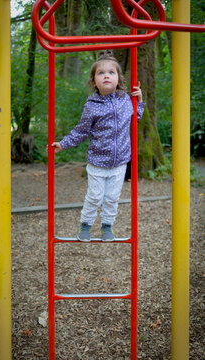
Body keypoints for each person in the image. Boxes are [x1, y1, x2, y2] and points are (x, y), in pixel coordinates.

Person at [51, 50, 145, 241]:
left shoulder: (126, 99)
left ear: (118, 79)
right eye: (101, 73)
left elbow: (134, 119)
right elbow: (81, 130)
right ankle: (85, 225)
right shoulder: (92, 105)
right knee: (95, 196)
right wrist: (63, 143)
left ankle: (107, 226)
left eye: (111, 72)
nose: (106, 76)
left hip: (120, 163)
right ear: (94, 81)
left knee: (112, 198)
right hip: (97, 161)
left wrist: (140, 100)